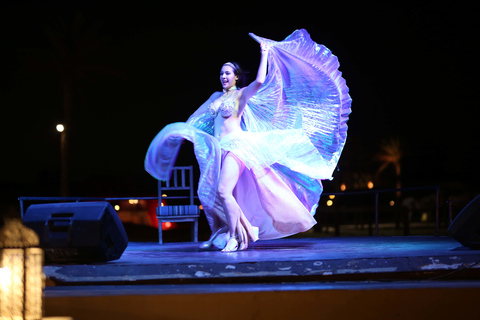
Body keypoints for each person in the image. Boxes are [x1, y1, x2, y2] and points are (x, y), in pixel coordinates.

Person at [145, 29, 351, 252]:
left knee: (224, 191)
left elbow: (260, 81)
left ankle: (236, 238)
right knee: (216, 196)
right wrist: (183, 132)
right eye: (221, 73)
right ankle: (227, 232)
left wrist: (264, 52)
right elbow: (196, 117)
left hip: (236, 147)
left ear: (236, 77)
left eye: (227, 73)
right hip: (218, 149)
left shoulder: (240, 95)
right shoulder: (215, 97)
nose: (223, 76)